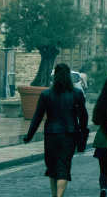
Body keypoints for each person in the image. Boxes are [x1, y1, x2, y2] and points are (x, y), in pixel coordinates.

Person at [23, 63, 89, 197]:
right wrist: (83, 134)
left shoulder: (46, 94)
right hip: (69, 135)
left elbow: (37, 117)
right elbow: (83, 116)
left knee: (52, 167)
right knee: (64, 166)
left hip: (51, 134)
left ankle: (55, 195)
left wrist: (29, 136)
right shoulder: (76, 94)